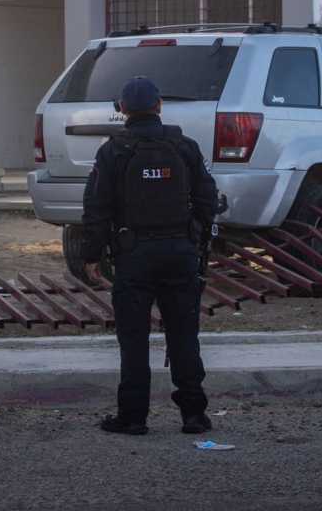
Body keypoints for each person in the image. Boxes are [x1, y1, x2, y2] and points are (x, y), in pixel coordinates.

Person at [81, 76, 219, 435]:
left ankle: (132, 416)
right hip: (180, 254)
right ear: (159, 107)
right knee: (184, 334)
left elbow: (96, 208)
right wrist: (196, 242)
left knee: (133, 336)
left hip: (134, 255)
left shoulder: (112, 151)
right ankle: (193, 415)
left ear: (122, 110)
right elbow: (207, 200)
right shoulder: (185, 147)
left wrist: (91, 255)